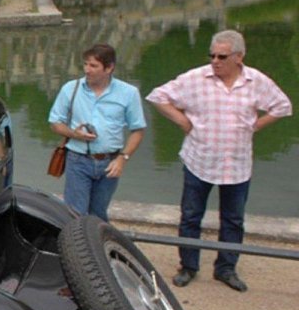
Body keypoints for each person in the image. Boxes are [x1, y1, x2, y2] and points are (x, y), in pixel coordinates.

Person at [146, 29, 292, 292]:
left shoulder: (256, 81)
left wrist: (256, 125)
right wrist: (181, 120)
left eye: (222, 56)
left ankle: (226, 268)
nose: (215, 61)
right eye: (212, 55)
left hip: (236, 164)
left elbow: (282, 106)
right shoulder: (195, 78)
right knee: (191, 217)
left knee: (233, 220)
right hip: (199, 160)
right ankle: (188, 266)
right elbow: (158, 96)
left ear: (239, 57)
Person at [48, 43, 145, 221]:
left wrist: (122, 158)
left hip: (110, 162)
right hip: (78, 159)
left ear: (109, 68)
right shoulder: (70, 89)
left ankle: (97, 247)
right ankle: (74, 247)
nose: (87, 70)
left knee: (98, 214)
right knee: (75, 214)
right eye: (85, 64)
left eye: (93, 66)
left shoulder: (128, 93)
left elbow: (138, 130)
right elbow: (55, 123)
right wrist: (74, 134)